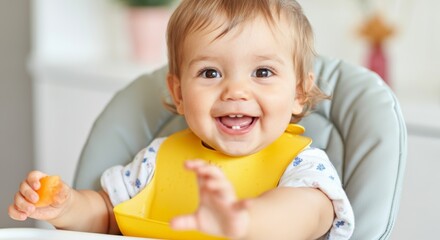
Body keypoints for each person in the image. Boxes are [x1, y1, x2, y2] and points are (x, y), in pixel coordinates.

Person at [9, 0, 354, 239]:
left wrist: (242, 221)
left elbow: (308, 214)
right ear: (178, 93)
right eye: (210, 72)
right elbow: (107, 215)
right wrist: (66, 207)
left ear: (299, 93)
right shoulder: (155, 161)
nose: (235, 91)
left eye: (262, 71)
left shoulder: (303, 167)